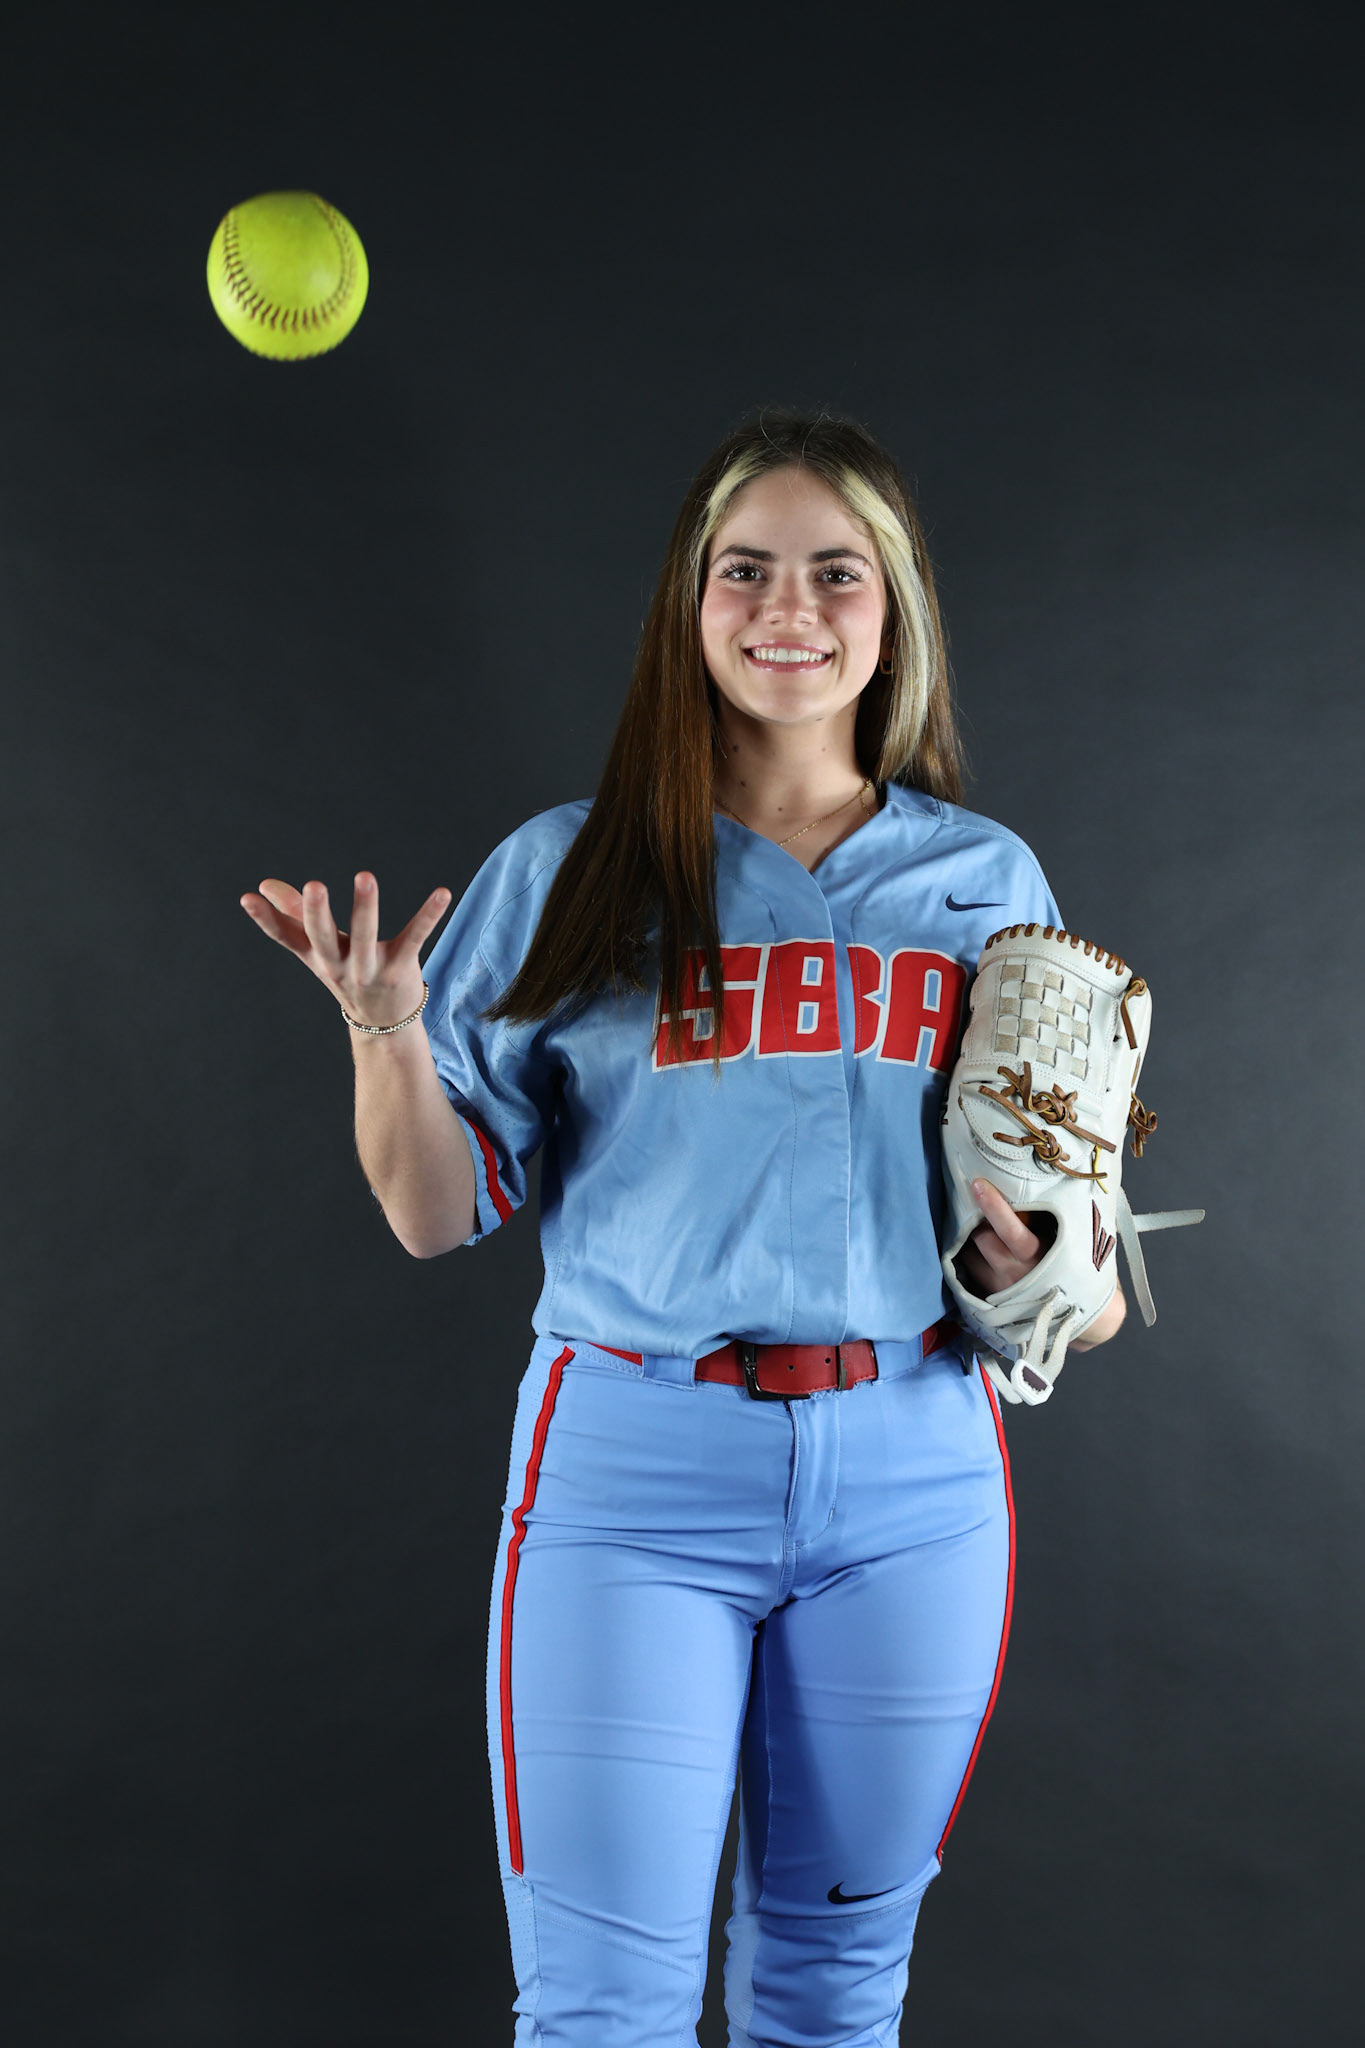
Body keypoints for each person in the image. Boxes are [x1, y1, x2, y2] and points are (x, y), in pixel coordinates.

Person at [240, 410, 1125, 2048]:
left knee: (837, 1998)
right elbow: (436, 1215)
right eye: (745, 569)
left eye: (833, 571)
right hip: (632, 1475)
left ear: (893, 609)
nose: (787, 605)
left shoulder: (983, 879)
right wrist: (380, 1034)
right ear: (688, 604)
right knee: (601, 2014)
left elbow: (1082, 1283)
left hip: (916, 1476)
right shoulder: (570, 868)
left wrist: (1037, 1273)